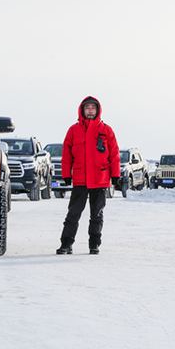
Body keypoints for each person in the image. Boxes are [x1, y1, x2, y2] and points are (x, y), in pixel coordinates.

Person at [57, 96, 120, 255]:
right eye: (87, 108)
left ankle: (94, 244)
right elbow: (66, 155)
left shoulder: (106, 130)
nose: (90, 110)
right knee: (73, 213)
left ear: (97, 110)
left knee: (96, 215)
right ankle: (66, 244)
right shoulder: (73, 130)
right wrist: (66, 174)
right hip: (80, 179)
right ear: (82, 110)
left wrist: (115, 175)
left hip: (100, 179)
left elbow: (114, 154)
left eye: (93, 107)